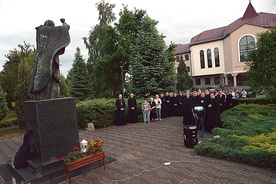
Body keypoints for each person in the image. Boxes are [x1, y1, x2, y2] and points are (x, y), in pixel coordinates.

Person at [30, 19, 70, 100]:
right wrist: (64, 24)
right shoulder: (43, 30)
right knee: (46, 77)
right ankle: (44, 95)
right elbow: (63, 29)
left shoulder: (42, 31)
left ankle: (53, 95)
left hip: (50, 58)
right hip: (46, 59)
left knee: (52, 78)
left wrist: (65, 26)